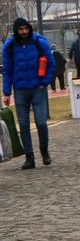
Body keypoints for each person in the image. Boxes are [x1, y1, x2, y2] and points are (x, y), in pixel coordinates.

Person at [2, 18, 56, 169]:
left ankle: (44, 150)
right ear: (16, 30)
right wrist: (6, 93)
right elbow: (7, 71)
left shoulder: (39, 43)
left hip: (37, 89)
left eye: (26, 28)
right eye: (21, 29)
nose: (24, 32)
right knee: (24, 125)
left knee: (40, 122)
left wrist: (44, 83)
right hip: (20, 90)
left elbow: (52, 64)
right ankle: (29, 157)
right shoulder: (10, 47)